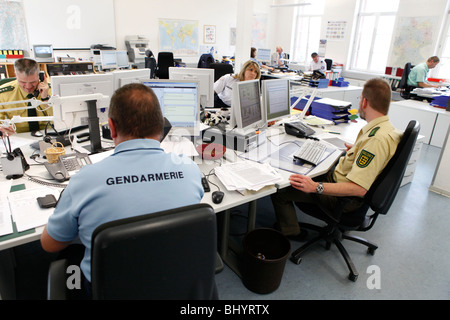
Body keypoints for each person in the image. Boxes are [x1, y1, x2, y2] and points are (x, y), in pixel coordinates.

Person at [40, 83, 204, 294]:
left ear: (112, 127)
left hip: (111, 291)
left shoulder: (85, 180)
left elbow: (50, 244)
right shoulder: (190, 170)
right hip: (176, 284)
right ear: (161, 125)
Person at [271, 78, 402, 239]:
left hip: (345, 200)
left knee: (281, 190)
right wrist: (356, 151)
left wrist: (315, 187)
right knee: (306, 171)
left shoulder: (376, 140)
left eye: (360, 98)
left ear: (365, 102)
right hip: (341, 181)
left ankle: (291, 232)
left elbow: (358, 188)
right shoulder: (385, 129)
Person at [0, 58, 52, 134]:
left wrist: (45, 98)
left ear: (41, 76)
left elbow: (61, 121)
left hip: (48, 134)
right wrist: (2, 129)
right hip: (19, 137)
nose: (28, 87)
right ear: (16, 76)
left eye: (33, 82)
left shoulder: (52, 89)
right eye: (22, 82)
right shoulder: (3, 93)